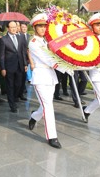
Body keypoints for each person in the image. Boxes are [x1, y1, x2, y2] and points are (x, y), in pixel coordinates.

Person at [27, 13, 63, 149]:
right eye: (40, 26)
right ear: (35, 28)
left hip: (50, 77)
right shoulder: (34, 43)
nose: (43, 29)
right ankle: (52, 136)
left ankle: (34, 117)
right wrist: (65, 66)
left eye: (44, 26)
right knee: (48, 106)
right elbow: (47, 59)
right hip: (41, 77)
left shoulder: (46, 41)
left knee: (45, 105)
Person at [0, 21, 27, 113]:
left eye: (15, 27)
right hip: (9, 67)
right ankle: (12, 105)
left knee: (18, 84)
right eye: (12, 27)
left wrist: (25, 64)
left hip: (20, 65)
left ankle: (15, 98)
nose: (14, 29)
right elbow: (2, 55)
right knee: (10, 86)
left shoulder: (21, 37)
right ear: (8, 28)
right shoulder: (3, 39)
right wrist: (3, 68)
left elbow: (23, 52)